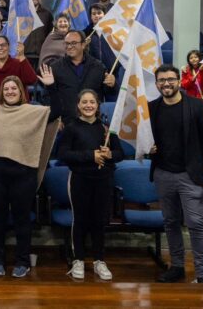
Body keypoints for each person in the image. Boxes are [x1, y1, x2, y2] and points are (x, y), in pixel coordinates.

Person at [149, 65, 203, 284]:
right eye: (162, 80)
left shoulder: (196, 105)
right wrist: (147, 147)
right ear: (156, 84)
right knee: (170, 222)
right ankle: (177, 266)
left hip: (190, 174)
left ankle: (202, 273)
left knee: (196, 223)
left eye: (170, 79)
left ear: (179, 81)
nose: (166, 84)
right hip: (163, 173)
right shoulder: (151, 108)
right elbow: (144, 138)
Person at [0, 75, 59, 278]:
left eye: (14, 88)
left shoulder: (33, 111)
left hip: (23, 175)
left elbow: (58, 111)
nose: (10, 91)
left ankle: (23, 262)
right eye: (6, 89)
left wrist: (51, 87)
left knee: (22, 220)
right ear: (1, 92)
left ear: (21, 91)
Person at [58, 89, 122, 281]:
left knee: (99, 221)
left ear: (97, 105)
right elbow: (63, 154)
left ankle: (99, 260)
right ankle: (78, 259)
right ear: (78, 105)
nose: (88, 105)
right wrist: (90, 156)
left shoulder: (106, 129)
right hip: (80, 179)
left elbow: (120, 153)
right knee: (80, 220)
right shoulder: (71, 128)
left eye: (92, 102)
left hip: (103, 180)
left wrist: (110, 154)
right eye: (84, 102)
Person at [40, 30, 115, 126]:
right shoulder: (55, 67)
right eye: (67, 43)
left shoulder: (98, 67)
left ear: (83, 45)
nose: (69, 46)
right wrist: (55, 119)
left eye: (73, 43)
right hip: (65, 124)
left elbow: (108, 94)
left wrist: (113, 84)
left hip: (92, 124)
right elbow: (47, 97)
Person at [0, 35, 38, 105]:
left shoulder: (19, 64)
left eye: (3, 45)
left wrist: (22, 55)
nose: (0, 48)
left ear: (9, 47)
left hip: (18, 108)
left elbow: (32, 80)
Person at [23, 0, 54, 69]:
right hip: (24, 55)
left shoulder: (47, 14)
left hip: (42, 55)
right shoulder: (21, 13)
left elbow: (50, 34)